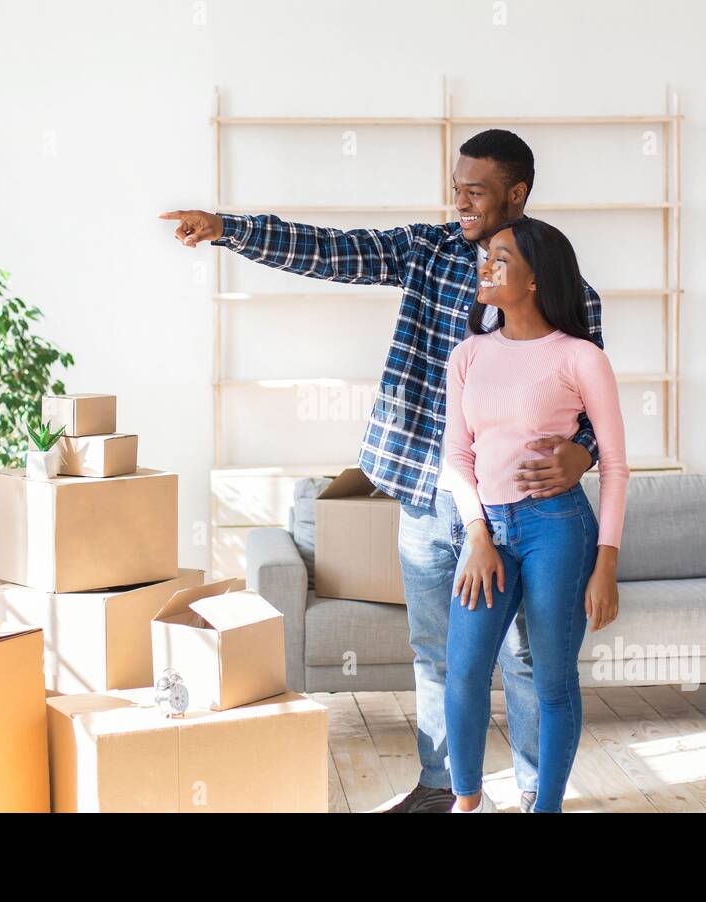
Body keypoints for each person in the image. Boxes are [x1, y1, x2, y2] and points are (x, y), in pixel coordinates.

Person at [160, 129, 604, 813]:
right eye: (456, 186)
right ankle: (446, 789)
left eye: (475, 190)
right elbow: (332, 251)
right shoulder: (426, 253)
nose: (458, 200)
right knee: (436, 651)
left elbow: (591, 415)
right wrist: (228, 229)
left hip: (522, 512)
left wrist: (584, 452)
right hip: (430, 498)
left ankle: (532, 791)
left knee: (523, 659)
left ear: (517, 194)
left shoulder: (573, 294)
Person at [442, 217, 627, 813]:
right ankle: (466, 802)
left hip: (557, 529)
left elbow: (616, 467)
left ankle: (546, 808)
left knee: (551, 681)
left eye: (501, 257)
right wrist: (476, 533)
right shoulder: (468, 355)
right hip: (486, 531)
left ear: (533, 280)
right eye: (486, 255)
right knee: (465, 674)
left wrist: (606, 565)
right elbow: (456, 456)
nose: (485, 265)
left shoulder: (581, 358)